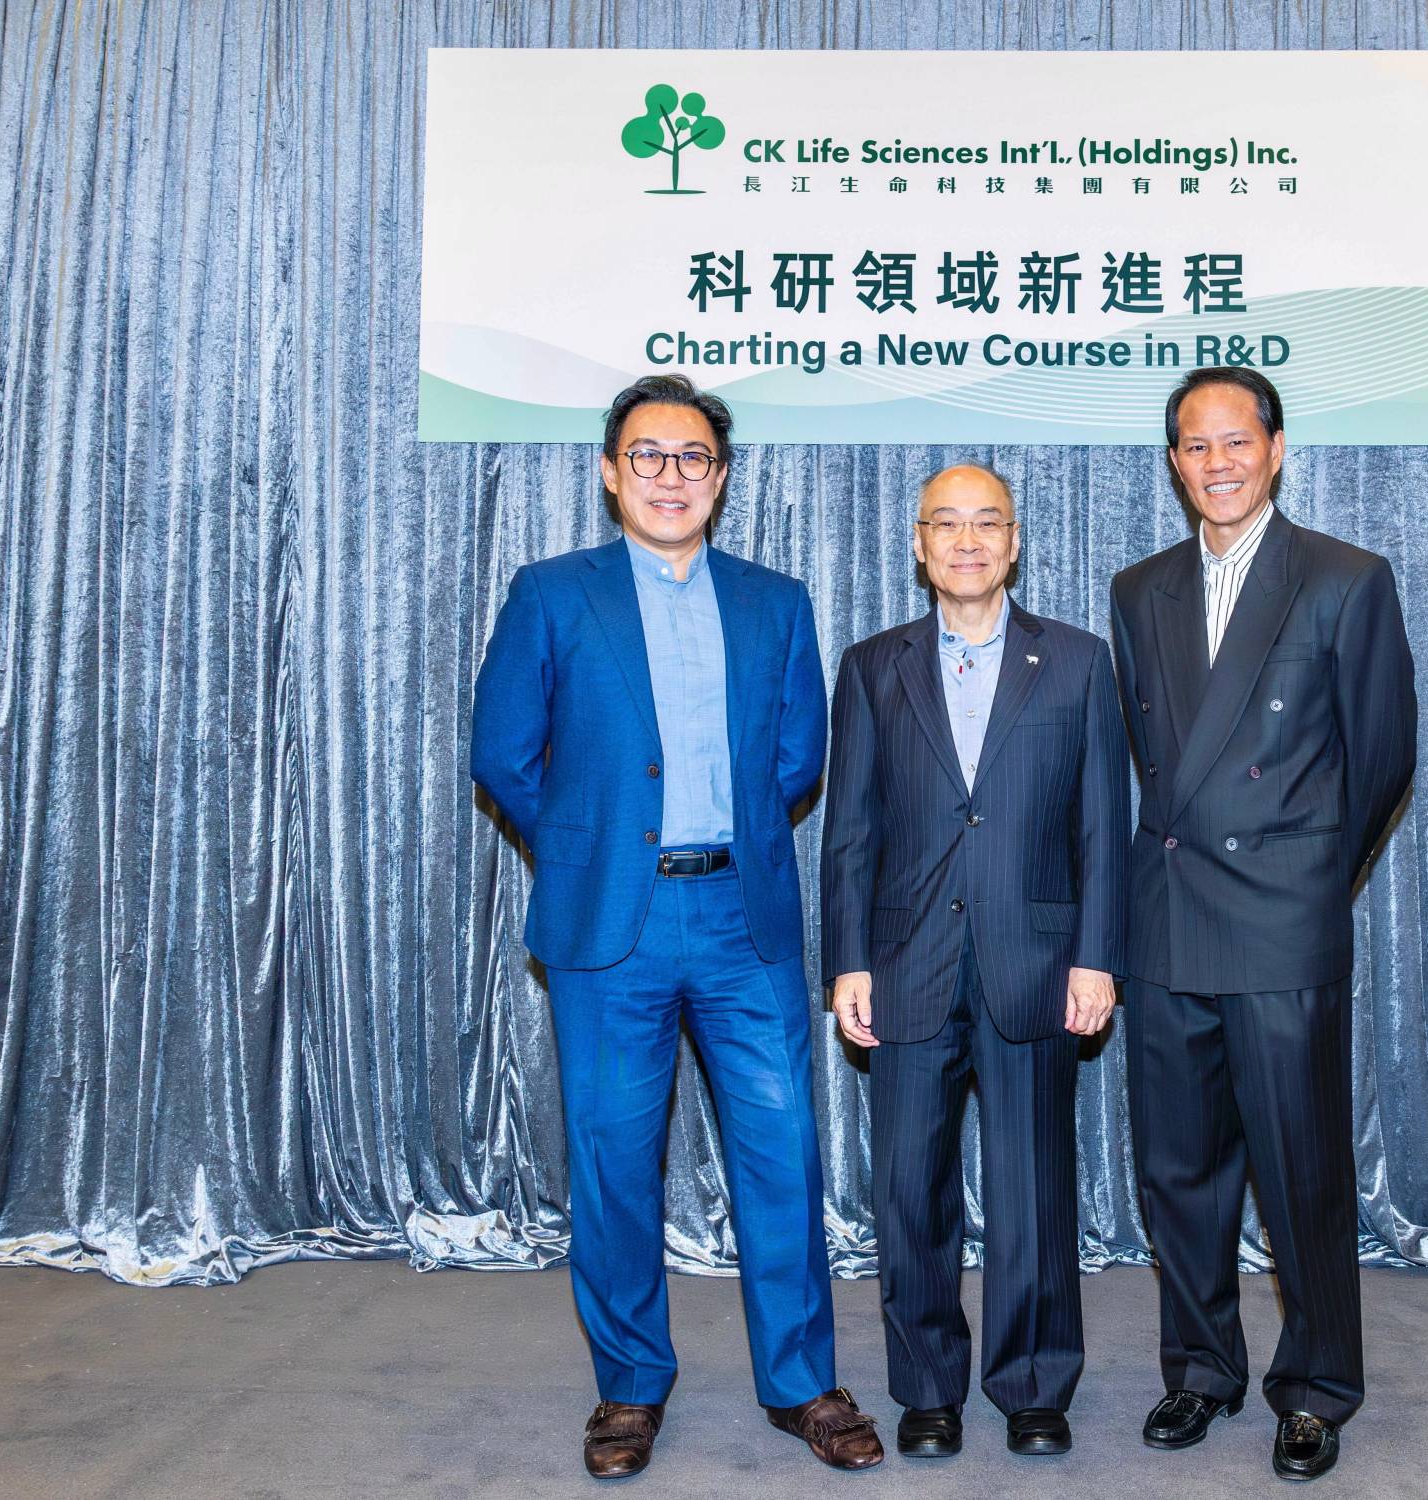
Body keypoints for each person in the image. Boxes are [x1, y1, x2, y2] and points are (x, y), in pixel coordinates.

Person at [470, 375, 883, 1479]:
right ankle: (628, 1385)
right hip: (613, 924)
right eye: (646, 455)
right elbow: (503, 750)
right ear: (610, 473)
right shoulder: (553, 594)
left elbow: (798, 757)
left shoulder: (774, 600)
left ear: (721, 477)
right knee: (612, 1162)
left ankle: (801, 1381)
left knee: (781, 1153)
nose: (669, 474)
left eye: (692, 457)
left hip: (741, 921)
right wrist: (590, 844)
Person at [1108, 367, 1417, 1482]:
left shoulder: (1343, 579)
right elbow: (1151, 766)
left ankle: (1316, 1383)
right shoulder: (1137, 589)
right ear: (1174, 462)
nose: (1217, 464)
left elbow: (1380, 759)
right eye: (1194, 447)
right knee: (1178, 1171)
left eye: (1235, 441)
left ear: (1275, 449)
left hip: (1281, 923)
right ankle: (1198, 1370)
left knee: (1300, 1172)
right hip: (1168, 921)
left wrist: (1302, 884)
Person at [819, 464, 1128, 1460]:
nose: (965, 540)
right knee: (910, 1186)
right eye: (944, 524)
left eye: (984, 523)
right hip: (904, 963)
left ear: (1014, 541)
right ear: (916, 544)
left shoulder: (1076, 663)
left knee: (1033, 1182)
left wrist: (1095, 956)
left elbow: (1099, 828)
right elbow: (850, 832)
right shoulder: (873, 666)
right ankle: (925, 1388)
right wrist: (847, 960)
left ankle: (1033, 1386)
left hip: (1033, 963)